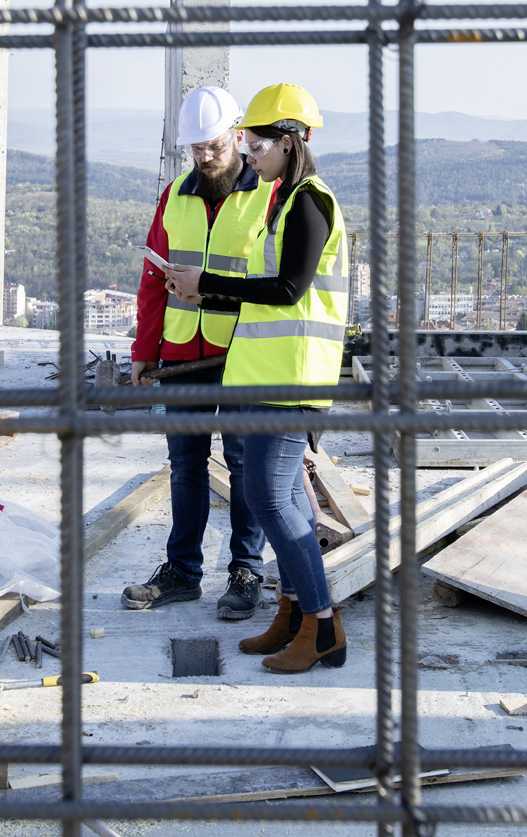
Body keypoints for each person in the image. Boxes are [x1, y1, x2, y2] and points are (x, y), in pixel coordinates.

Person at [164, 82, 349, 674]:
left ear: (292, 143)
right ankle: (292, 615)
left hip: (292, 380)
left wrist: (208, 286)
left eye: (260, 143)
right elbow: (267, 299)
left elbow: (289, 290)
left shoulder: (311, 203)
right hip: (266, 374)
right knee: (287, 497)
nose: (251, 153)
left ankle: (321, 625)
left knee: (268, 497)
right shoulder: (282, 201)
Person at [120, 85, 276, 620]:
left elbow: (275, 283)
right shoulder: (176, 195)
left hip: (243, 355)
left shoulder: (270, 195)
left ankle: (245, 570)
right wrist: (145, 350)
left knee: (243, 466)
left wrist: (208, 290)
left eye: (213, 145)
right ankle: (183, 572)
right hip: (183, 355)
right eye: (196, 148)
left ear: (237, 135)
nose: (204, 157)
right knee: (185, 466)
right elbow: (151, 280)